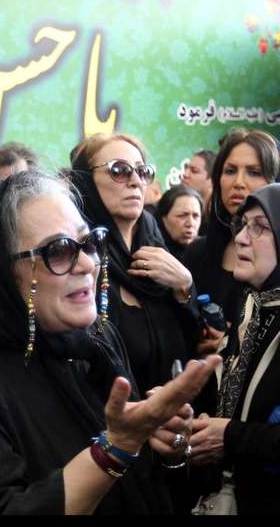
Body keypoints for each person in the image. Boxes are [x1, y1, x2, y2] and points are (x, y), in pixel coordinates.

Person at [0, 171, 221, 514]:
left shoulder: (97, 340)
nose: (88, 264)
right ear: (2, 271)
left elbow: (146, 486)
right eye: (59, 251)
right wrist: (115, 448)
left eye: (89, 242)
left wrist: (166, 448)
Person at [69, 134, 198, 396]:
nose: (136, 181)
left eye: (142, 171)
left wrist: (185, 287)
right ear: (86, 181)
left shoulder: (156, 246)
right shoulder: (79, 262)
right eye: (119, 170)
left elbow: (193, 343)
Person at [190, 183, 280, 513]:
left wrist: (230, 437)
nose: (241, 238)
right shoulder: (252, 306)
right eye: (242, 225)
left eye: (260, 227)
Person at [183, 129, 279, 357]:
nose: (238, 182)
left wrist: (232, 344)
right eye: (230, 171)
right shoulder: (197, 253)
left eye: (254, 172)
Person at [155, 185, 204, 259]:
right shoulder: (151, 251)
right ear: (163, 218)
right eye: (182, 216)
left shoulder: (207, 251)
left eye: (196, 216)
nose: (190, 223)